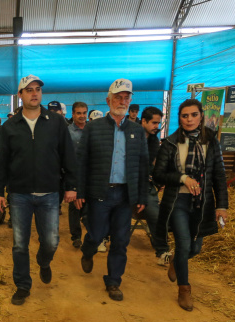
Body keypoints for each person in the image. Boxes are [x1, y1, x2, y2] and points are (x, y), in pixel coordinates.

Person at [0, 74, 77, 306]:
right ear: (20, 95)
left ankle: (43, 260)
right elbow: (1, 163)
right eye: (28, 90)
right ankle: (22, 285)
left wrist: (71, 185)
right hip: (19, 194)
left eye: (37, 89)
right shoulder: (10, 126)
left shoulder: (56, 122)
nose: (34, 93)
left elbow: (67, 154)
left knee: (50, 241)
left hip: (50, 193)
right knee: (20, 243)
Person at [74, 78, 150, 302]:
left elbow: (144, 165)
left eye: (127, 97)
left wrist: (142, 195)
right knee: (96, 234)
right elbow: (82, 162)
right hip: (100, 193)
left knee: (120, 240)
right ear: (108, 100)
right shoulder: (93, 128)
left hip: (125, 195)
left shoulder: (136, 131)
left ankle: (114, 281)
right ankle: (88, 251)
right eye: (118, 97)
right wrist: (79, 191)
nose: (123, 101)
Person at [152, 99, 229, 312]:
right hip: (178, 201)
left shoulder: (211, 141)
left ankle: (176, 262)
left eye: (193, 115)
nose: (189, 119)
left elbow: (219, 175)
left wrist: (222, 206)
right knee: (184, 243)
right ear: (179, 118)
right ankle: (184, 289)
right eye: (184, 116)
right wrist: (183, 178)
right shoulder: (170, 142)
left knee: (195, 248)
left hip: (202, 202)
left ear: (201, 116)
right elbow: (158, 174)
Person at [139, 106, 171, 264]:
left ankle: (162, 251)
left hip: (146, 185)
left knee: (156, 215)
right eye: (154, 123)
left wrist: (160, 180)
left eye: (158, 123)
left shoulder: (153, 140)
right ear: (143, 121)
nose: (156, 126)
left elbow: (154, 164)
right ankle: (103, 237)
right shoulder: (130, 136)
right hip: (126, 183)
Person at [67, 102, 87, 248]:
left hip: (91, 173)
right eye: (78, 113)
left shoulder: (92, 129)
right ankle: (76, 237)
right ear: (73, 114)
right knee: (74, 204)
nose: (82, 116)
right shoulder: (67, 132)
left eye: (84, 113)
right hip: (74, 172)